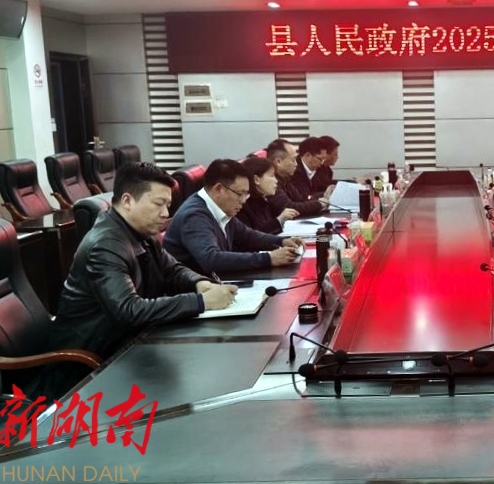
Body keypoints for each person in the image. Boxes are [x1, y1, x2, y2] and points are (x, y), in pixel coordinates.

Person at [46, 163, 238, 394]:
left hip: (128, 346)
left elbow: (172, 270)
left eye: (167, 205)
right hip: (88, 368)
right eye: (158, 204)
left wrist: (200, 283)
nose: (165, 213)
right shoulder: (104, 245)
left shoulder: (140, 232)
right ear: (127, 201)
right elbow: (129, 311)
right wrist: (201, 302)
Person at [164, 159, 303, 276]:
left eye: (246, 194)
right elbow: (211, 259)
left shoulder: (220, 208)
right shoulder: (194, 215)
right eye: (240, 194)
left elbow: (248, 236)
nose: (243, 201)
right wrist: (268, 258)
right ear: (219, 189)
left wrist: (281, 241)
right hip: (197, 291)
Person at [237, 156, 299, 234]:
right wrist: (279, 220)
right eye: (272, 176)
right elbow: (252, 237)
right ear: (256, 179)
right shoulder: (242, 207)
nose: (276, 181)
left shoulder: (265, 200)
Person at [267, 138, 327, 217]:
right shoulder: (269, 181)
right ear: (278, 161)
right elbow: (288, 207)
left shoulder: (285, 179)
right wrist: (319, 204)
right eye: (293, 160)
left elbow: (301, 200)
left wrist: (320, 201)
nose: (296, 164)